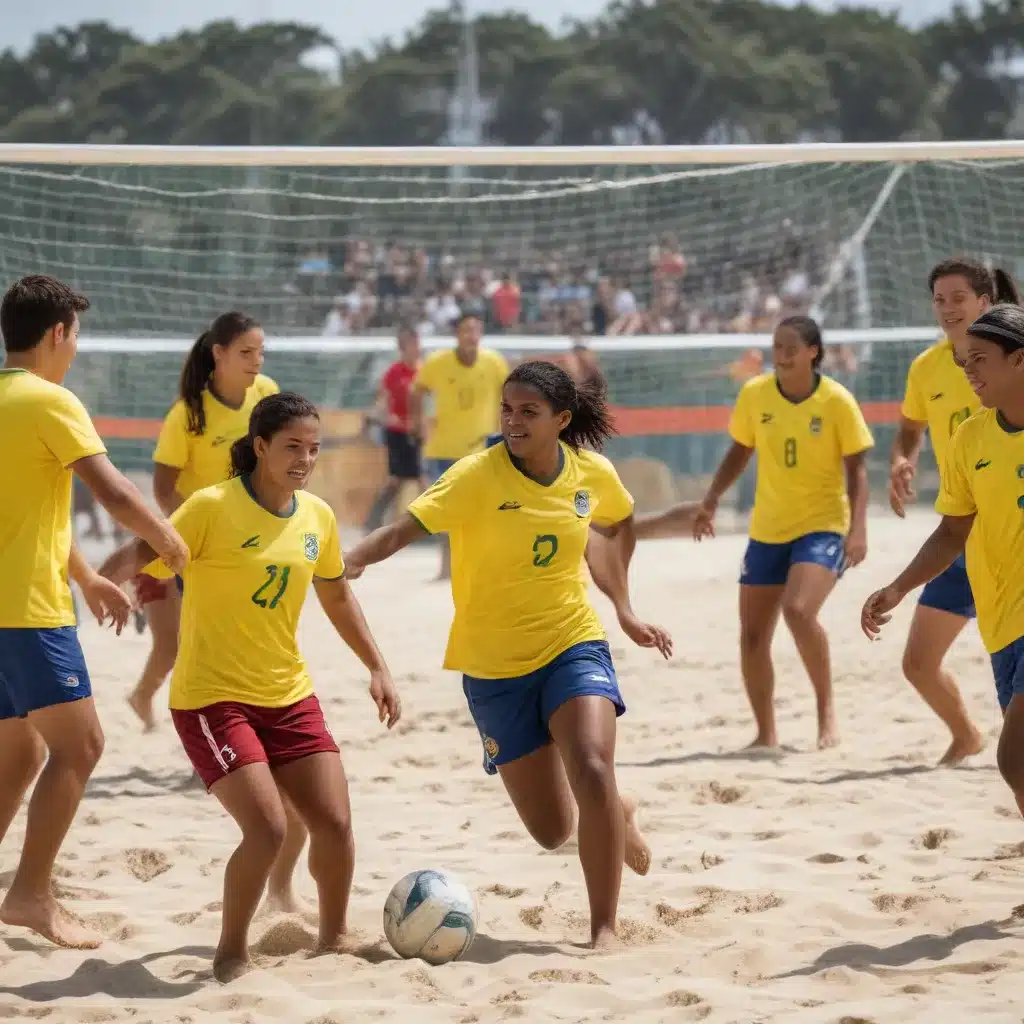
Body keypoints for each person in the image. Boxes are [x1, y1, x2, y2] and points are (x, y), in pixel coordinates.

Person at [345, 360, 672, 948]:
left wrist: (622, 605)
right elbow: (403, 529)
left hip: (572, 640)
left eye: (528, 412)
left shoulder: (591, 474)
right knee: (551, 830)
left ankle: (604, 929)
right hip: (494, 668)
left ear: (560, 420)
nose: (513, 422)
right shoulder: (476, 475)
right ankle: (618, 811)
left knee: (592, 765)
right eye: (507, 410)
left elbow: (621, 526)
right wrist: (351, 559)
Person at [100, 392, 400, 981]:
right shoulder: (210, 507)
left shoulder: (317, 517)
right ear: (260, 446)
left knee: (335, 824)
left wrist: (377, 665)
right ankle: (231, 951)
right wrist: (96, 582)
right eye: (292, 447)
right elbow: (142, 552)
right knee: (267, 829)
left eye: (313, 449)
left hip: (288, 694)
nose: (304, 459)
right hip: (213, 700)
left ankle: (333, 937)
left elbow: (336, 594)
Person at [0, 275, 187, 949]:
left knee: (20, 752)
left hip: (12, 609)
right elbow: (111, 493)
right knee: (81, 746)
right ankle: (28, 896)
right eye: (74, 337)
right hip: (24, 613)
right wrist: (169, 541)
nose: (75, 350)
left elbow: (27, 511)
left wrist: (85, 577)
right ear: (57, 333)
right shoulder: (52, 402)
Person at [681, 316, 873, 750]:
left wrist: (858, 530)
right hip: (767, 528)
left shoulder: (837, 401)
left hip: (823, 525)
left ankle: (826, 714)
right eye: (776, 346)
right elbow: (739, 451)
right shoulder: (756, 394)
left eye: (790, 347)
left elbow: (857, 471)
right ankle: (765, 734)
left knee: (800, 611)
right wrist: (710, 500)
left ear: (813, 353)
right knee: (752, 636)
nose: (781, 354)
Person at [862, 303, 1024, 816]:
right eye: (963, 361)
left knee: (1015, 758)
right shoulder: (969, 437)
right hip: (1002, 625)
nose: (966, 370)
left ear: (1019, 360)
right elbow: (953, 530)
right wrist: (899, 587)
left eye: (979, 359)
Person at [887, 258, 1020, 764]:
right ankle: (966, 734)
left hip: (1009, 540)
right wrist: (903, 459)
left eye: (958, 298)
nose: (947, 308)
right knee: (918, 663)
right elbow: (908, 427)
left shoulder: (1009, 359)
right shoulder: (927, 368)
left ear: (985, 302)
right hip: (960, 539)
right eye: (939, 299)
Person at [131, 312, 279, 732]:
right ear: (219, 353)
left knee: (251, 640)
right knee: (184, 647)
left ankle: (243, 732)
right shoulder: (189, 413)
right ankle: (201, 724)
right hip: (197, 546)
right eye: (246, 352)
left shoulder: (266, 394)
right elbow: (163, 488)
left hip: (255, 540)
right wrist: (203, 529)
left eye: (261, 352)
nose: (257, 361)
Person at [408, 312, 508, 580]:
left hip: (482, 449)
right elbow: (417, 390)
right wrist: (417, 424)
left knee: (484, 510)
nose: (471, 336)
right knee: (445, 511)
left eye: (476, 330)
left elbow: (509, 396)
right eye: (466, 330)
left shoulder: (495, 362)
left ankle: (480, 566)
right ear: (457, 334)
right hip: (442, 449)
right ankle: (446, 567)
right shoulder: (438, 362)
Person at [364, 325, 426, 532]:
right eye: (411, 344)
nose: (416, 348)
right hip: (398, 433)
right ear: (402, 347)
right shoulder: (394, 372)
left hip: (417, 433)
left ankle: (425, 525)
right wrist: (381, 416)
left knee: (416, 478)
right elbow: (383, 399)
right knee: (402, 480)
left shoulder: (423, 370)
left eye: (417, 343)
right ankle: (375, 521)